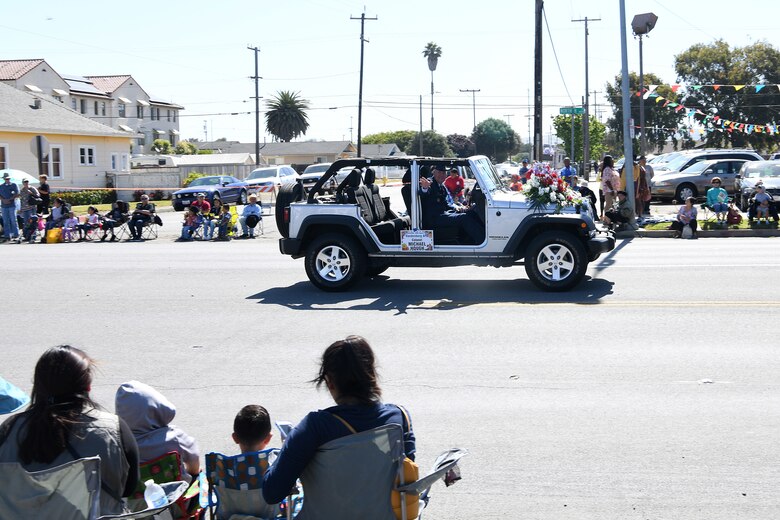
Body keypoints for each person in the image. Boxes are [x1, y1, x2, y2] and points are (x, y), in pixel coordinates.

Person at [262, 335, 415, 505]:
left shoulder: (315, 427)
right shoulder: (399, 419)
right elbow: (405, 480)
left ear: (329, 382)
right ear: (371, 373)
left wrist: (280, 455)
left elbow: (272, 493)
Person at [0, 345, 140, 515]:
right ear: (87, 386)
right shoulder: (114, 430)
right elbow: (129, 488)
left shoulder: (9, 430)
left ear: (38, 385)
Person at [115, 380, 200, 482]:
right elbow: (194, 461)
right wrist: (192, 472)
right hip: (177, 495)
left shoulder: (116, 444)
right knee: (198, 476)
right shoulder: (174, 437)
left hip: (133, 497)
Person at [419, 164, 483, 244]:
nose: (442, 175)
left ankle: (475, 239)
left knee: (470, 213)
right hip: (434, 219)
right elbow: (424, 194)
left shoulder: (441, 186)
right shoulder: (430, 183)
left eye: (444, 173)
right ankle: (481, 242)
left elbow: (446, 203)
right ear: (434, 173)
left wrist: (457, 208)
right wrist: (425, 188)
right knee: (464, 218)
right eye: (439, 172)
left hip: (443, 214)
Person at [0, 172, 20, 243]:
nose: (7, 180)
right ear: (4, 179)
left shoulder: (14, 185)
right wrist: (3, 200)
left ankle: (16, 234)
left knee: (13, 220)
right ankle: (7, 235)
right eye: (6, 178)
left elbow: (17, 194)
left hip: (12, 205)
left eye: (8, 178)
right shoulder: (1, 186)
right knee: (5, 221)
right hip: (4, 206)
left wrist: (10, 199)